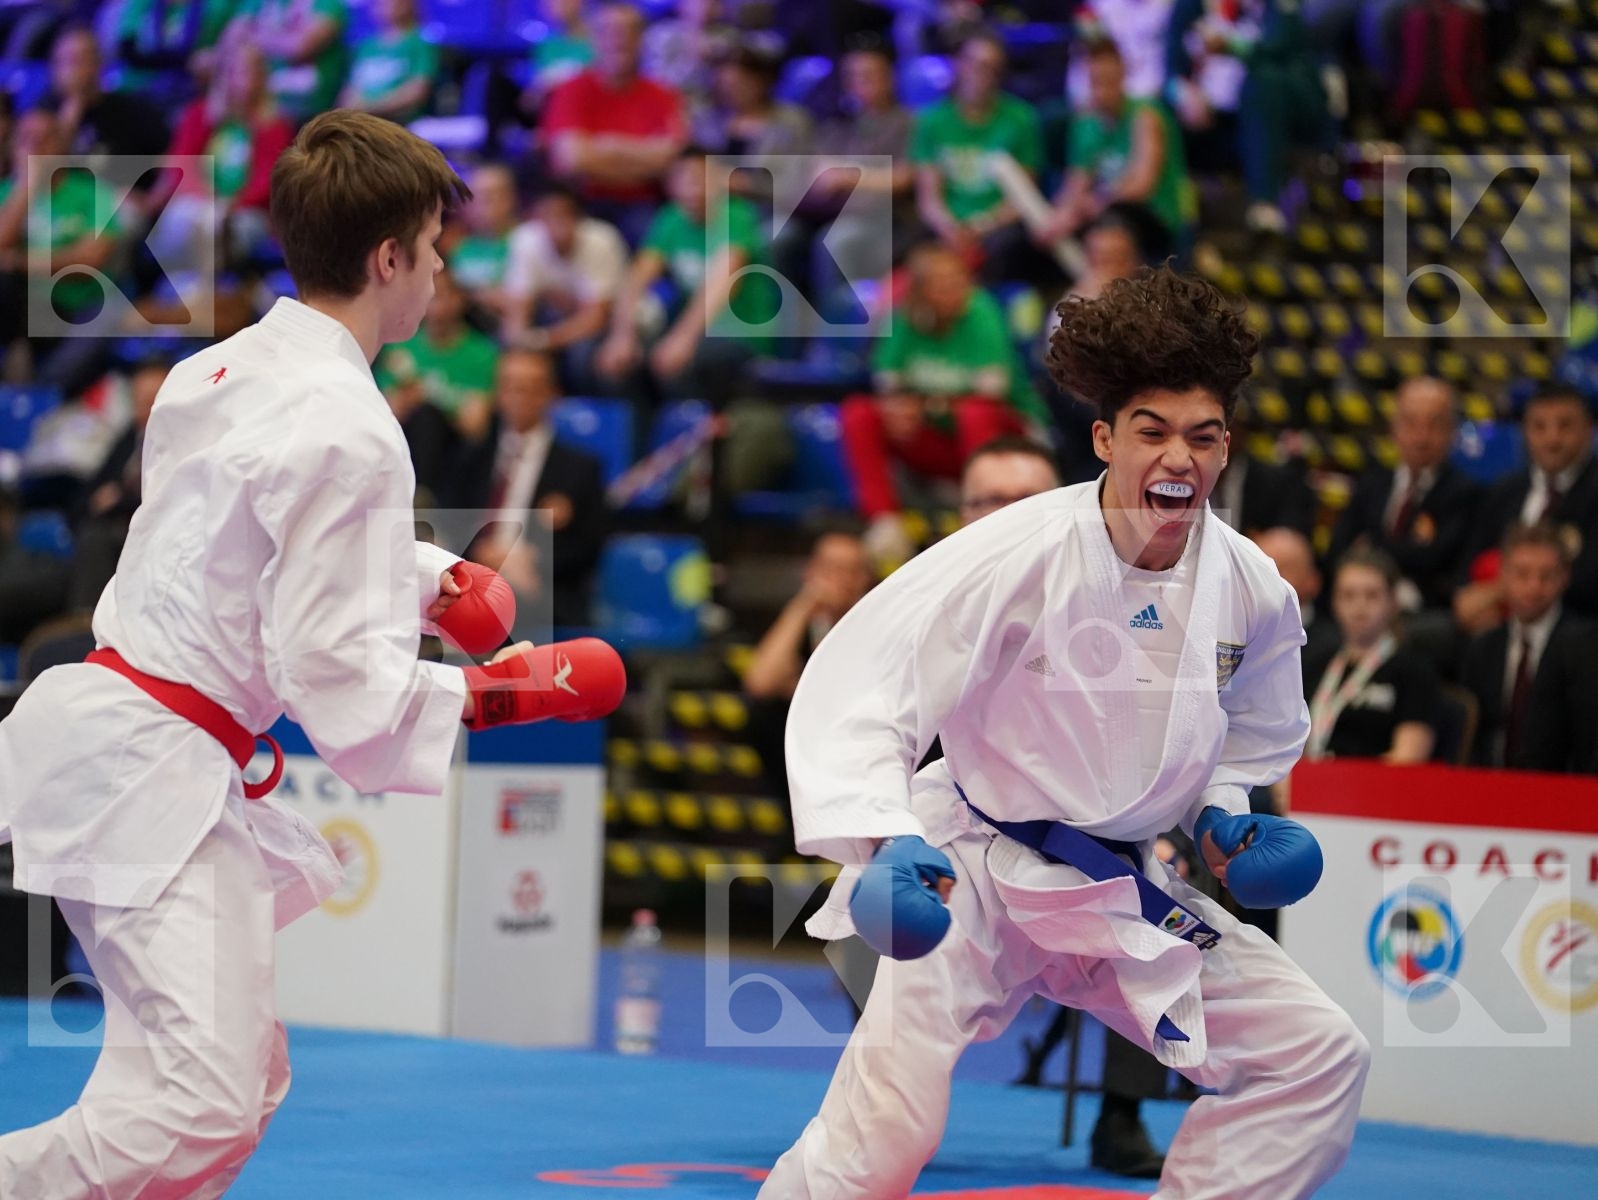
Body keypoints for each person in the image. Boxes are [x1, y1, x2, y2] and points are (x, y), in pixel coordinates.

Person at [0, 110, 624, 1197]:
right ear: (389, 258)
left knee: (221, 1090)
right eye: (432, 250)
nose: (439, 273)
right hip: (147, 764)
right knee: (198, 1104)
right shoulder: (349, 425)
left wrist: (436, 582)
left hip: (129, 743)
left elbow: (240, 545)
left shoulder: (212, 372)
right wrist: (493, 695)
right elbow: (333, 677)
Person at [759, 267, 1368, 1199]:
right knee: (889, 1132)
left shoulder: (1251, 584)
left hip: (1118, 887)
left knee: (1318, 1055)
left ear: (1226, 449)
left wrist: (1224, 816)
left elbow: (1256, 724)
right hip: (972, 865)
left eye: (1203, 438)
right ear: (1103, 439)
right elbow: (868, 682)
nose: (1179, 460)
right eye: (1152, 433)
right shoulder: (1015, 552)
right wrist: (887, 838)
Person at [442, 347, 609, 631]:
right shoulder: (471, 458)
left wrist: (535, 561)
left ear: (551, 394)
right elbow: (449, 521)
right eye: (510, 387)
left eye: (530, 388)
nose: (520, 397)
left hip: (543, 593)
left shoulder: (579, 467)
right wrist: (482, 555)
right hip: (474, 582)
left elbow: (590, 543)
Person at [1327, 376, 1481, 614]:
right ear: (1393, 427)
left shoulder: (1467, 494)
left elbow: (1438, 562)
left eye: (1434, 424)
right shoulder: (1371, 484)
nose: (1421, 437)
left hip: (1424, 615)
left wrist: (1374, 546)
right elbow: (1339, 551)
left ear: (1452, 431)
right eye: (1410, 423)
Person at [540, 1, 689, 246]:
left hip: (645, 205)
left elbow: (672, 159)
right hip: (582, 203)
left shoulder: (665, 95)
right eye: (609, 32)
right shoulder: (569, 90)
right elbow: (572, 160)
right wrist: (642, 157)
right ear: (594, 38)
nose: (620, 40)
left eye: (629, 32)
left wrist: (608, 146)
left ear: (642, 40)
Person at [1454, 387, 1598, 632]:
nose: (1552, 439)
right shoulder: (1505, 491)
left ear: (1588, 430)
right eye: (1539, 427)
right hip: (1497, 625)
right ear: (1524, 432)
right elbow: (1469, 564)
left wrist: (1501, 593)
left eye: (1565, 426)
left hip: (1577, 627)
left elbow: (1589, 581)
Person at [1458, 522, 1590, 769]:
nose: (1534, 587)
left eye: (1547, 575)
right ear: (1503, 575)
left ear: (1565, 577)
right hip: (1490, 785)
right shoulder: (1484, 648)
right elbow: (1473, 736)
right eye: (1522, 573)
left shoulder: (1586, 648)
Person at [1304, 546, 1439, 764]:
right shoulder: (1316, 664)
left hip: (1375, 791)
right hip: (1310, 786)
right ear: (1334, 603)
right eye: (1348, 595)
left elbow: (1408, 757)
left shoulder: (1414, 670)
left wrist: (1348, 784)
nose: (1359, 606)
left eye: (1372, 595)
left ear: (1393, 602)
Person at [500, 183, 629, 395]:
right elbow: (518, 306)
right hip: (554, 319)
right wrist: (519, 340)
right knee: (507, 347)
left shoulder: (602, 240)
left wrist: (545, 340)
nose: (556, 223)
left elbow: (596, 316)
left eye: (563, 215)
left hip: (614, 322)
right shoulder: (524, 239)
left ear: (578, 218)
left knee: (582, 354)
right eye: (548, 215)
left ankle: (585, 415)